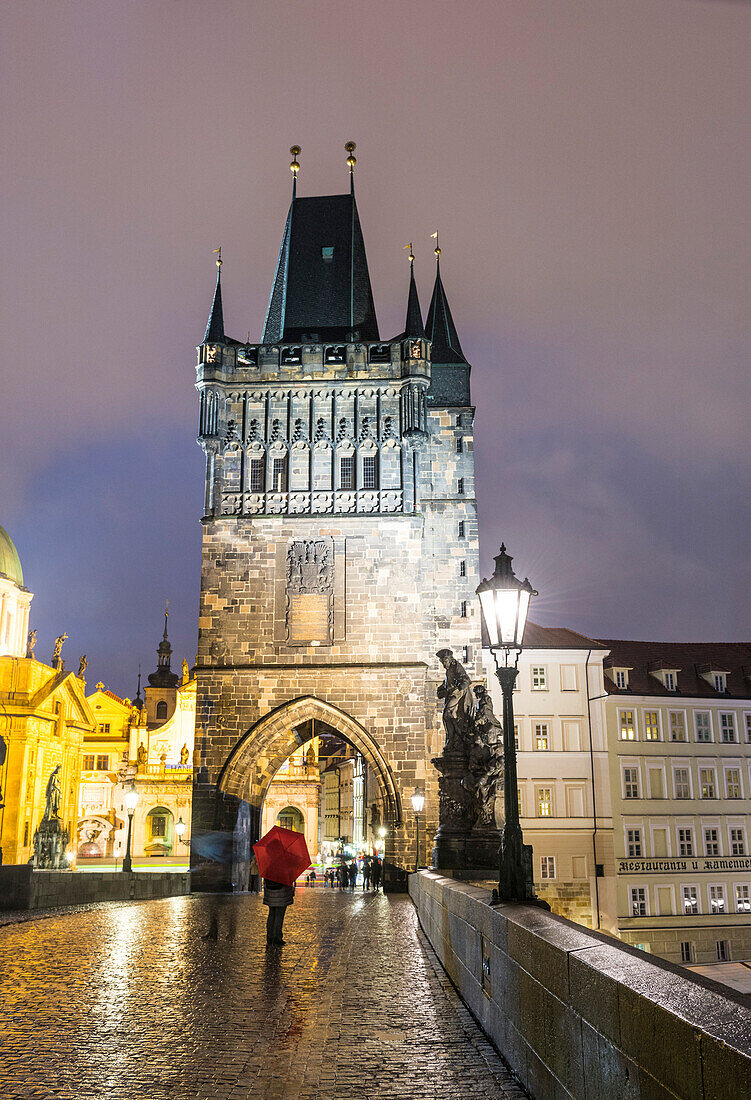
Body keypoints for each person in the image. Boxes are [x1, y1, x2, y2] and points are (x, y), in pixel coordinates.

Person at [263, 877, 294, 946]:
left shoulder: (268, 869)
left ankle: (269, 937)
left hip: (270, 893)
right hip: (282, 893)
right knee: (279, 916)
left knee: (271, 914)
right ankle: (276, 938)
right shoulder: (284, 870)